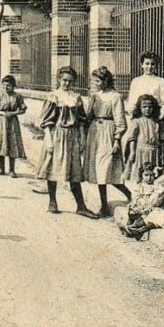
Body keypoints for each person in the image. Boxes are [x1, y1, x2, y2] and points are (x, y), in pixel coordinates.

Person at [35, 66, 100, 219]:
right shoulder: (53, 97)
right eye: (64, 80)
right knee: (54, 168)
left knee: (74, 171)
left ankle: (81, 206)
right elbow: (46, 121)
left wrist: (82, 137)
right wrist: (49, 140)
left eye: (70, 81)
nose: (66, 84)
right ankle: (52, 201)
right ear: (59, 80)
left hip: (73, 136)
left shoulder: (76, 98)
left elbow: (82, 120)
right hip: (57, 135)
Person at [83, 67, 132, 216]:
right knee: (99, 172)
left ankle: (130, 195)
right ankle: (104, 205)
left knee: (108, 170)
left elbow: (121, 121)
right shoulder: (95, 96)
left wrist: (117, 139)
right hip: (94, 133)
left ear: (106, 81)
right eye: (94, 81)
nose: (95, 84)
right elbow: (88, 116)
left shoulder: (116, 96)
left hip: (108, 133)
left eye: (98, 81)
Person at [0, 75, 26, 177]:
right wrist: (3, 113)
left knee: (12, 143)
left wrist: (13, 113)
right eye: (4, 85)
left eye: (8, 85)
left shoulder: (18, 96)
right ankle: (1, 168)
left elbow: (23, 110)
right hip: (1, 121)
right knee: (2, 142)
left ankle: (12, 170)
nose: (6, 87)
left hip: (13, 122)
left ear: (13, 86)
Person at [114, 163, 164, 235]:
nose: (149, 178)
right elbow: (135, 196)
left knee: (148, 217)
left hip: (151, 206)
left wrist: (149, 206)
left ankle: (133, 230)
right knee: (131, 213)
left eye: (151, 175)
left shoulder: (157, 186)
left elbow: (156, 199)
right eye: (146, 175)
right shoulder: (140, 186)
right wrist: (137, 204)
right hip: (140, 206)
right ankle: (128, 226)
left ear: (155, 175)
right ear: (142, 175)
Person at [125, 95, 161, 183]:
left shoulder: (156, 122)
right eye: (144, 107)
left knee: (152, 174)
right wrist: (132, 152)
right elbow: (132, 138)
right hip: (141, 152)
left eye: (150, 107)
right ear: (139, 108)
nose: (147, 109)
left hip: (154, 152)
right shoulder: (137, 121)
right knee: (140, 173)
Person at [126, 51, 164, 119]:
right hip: (140, 116)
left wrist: (159, 117)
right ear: (142, 65)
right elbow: (132, 102)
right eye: (147, 63)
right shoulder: (136, 81)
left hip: (155, 115)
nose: (149, 66)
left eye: (152, 64)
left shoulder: (161, 81)